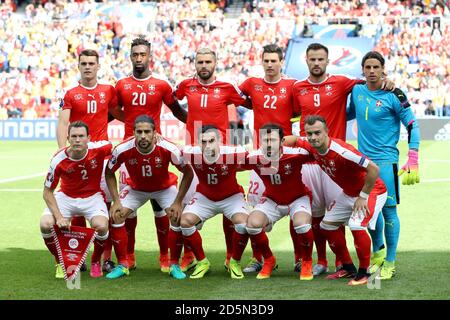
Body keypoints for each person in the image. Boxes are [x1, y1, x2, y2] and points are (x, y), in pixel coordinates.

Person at [290, 42, 395, 276]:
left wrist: (386, 81)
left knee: (341, 214)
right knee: (317, 214)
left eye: (320, 59)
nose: (316, 63)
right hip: (312, 159)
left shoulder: (342, 82)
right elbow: (295, 115)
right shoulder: (297, 88)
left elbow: (369, 80)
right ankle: (322, 261)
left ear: (328, 61)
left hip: (338, 160)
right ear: (306, 61)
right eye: (312, 59)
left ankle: (349, 265)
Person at [114, 37, 187, 271]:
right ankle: (129, 255)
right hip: (129, 152)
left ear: (149, 56)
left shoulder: (162, 84)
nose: (138, 58)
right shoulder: (121, 84)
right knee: (129, 209)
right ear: (130, 56)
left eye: (142, 54)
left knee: (159, 205)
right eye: (135, 54)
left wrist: (198, 122)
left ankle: (165, 256)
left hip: (155, 149)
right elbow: (113, 111)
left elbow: (176, 110)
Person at [347, 51, 421, 280]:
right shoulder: (357, 91)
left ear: (382, 69)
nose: (371, 71)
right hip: (364, 165)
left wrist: (413, 157)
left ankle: (390, 261)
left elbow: (412, 124)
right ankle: (377, 253)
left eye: (375, 67)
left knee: (389, 212)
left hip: (386, 163)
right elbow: (345, 113)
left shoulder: (394, 94)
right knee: (368, 211)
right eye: (367, 67)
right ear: (362, 70)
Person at [174, 48, 249, 270]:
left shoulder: (226, 87)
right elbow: (173, 100)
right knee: (188, 204)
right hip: (194, 151)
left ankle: (229, 255)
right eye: (200, 62)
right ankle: (189, 255)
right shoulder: (186, 85)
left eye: (208, 61)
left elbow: (249, 103)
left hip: (222, 152)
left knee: (229, 202)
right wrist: (187, 120)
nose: (204, 65)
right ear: (195, 64)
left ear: (215, 63)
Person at [302, 115, 388, 286]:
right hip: (348, 193)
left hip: (372, 191)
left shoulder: (342, 151)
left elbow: (374, 169)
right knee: (327, 225)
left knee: (357, 225)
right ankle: (348, 268)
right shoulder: (312, 147)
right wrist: (277, 142)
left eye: (317, 133)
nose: (313, 137)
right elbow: (293, 140)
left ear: (327, 132)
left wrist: (363, 196)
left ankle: (365, 274)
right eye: (309, 134)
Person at [104, 115, 193, 279]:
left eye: (147, 132)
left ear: (155, 133)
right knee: (116, 215)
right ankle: (123, 263)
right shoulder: (122, 149)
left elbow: (188, 173)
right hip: (136, 189)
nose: (143, 136)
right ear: (133, 133)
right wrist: (116, 201)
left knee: (177, 216)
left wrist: (178, 202)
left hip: (164, 189)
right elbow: (109, 172)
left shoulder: (168, 148)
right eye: (139, 132)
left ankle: (174, 264)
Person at [238, 44, 300, 273]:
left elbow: (298, 111)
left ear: (281, 62)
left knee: (297, 206)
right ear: (261, 61)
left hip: (286, 157)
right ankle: (259, 257)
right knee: (253, 208)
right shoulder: (251, 84)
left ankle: (300, 258)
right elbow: (238, 97)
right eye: (267, 60)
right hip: (260, 157)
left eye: (274, 61)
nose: (270, 64)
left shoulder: (292, 85)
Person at [56, 49, 119, 272]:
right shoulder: (71, 93)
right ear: (79, 66)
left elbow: (119, 113)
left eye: (92, 63)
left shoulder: (108, 90)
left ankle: (106, 258)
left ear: (98, 66)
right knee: (77, 206)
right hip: (78, 155)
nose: (88, 67)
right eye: (84, 63)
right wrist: (63, 151)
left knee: (107, 206)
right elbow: (63, 123)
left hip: (101, 157)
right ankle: (79, 254)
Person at [171, 125, 250, 279]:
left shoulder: (234, 153)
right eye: (203, 142)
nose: (207, 146)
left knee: (243, 223)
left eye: (211, 141)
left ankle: (234, 261)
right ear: (197, 143)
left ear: (219, 141)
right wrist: (158, 138)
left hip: (231, 197)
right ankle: (202, 262)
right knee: (185, 221)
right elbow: (171, 149)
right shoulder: (190, 153)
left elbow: (258, 160)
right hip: (205, 197)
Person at [40, 121, 112, 279]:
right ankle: (60, 262)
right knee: (45, 224)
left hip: (92, 196)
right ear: (68, 139)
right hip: (66, 197)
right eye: (74, 136)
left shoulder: (100, 148)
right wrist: (59, 217)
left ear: (89, 138)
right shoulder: (58, 159)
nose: (77, 140)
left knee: (101, 225)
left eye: (81, 136)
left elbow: (119, 148)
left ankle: (95, 262)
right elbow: (47, 192)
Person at [244, 123, 315, 280]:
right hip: (272, 200)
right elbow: (228, 164)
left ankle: (307, 261)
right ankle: (269, 259)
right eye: (265, 140)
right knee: (252, 224)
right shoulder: (254, 158)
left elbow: (319, 152)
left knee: (302, 224)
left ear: (283, 141)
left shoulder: (297, 154)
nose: (269, 144)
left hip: (297, 198)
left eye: (273, 140)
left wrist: (298, 139)